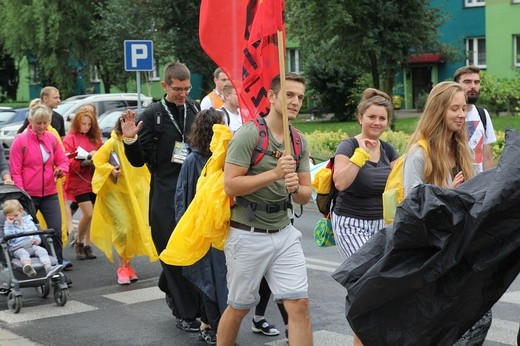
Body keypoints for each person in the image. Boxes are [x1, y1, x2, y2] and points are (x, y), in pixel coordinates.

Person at [218, 73, 313, 346]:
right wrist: (274, 174)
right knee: (238, 307)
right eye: (290, 95)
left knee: (299, 305)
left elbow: (305, 195)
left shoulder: (298, 141)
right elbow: (231, 185)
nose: (296, 102)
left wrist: (295, 188)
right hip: (247, 233)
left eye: (300, 97)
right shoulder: (249, 134)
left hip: (284, 232)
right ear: (271, 97)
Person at [402, 81, 491, 345]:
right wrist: (447, 194)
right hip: (431, 256)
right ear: (439, 110)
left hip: (459, 249)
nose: (462, 114)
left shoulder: (460, 150)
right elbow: (413, 210)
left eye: (463, 108)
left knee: (479, 318)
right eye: (454, 108)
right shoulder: (420, 153)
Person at [121, 62, 202, 332]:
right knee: (172, 252)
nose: (183, 93)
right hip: (165, 193)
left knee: (194, 253)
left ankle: (170, 284)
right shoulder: (153, 114)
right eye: (177, 89)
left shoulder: (195, 109)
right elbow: (138, 161)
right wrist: (130, 141)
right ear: (164, 85)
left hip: (192, 192)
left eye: (187, 88)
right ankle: (185, 313)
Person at [175, 108, 226, 344]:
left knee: (220, 282)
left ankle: (215, 326)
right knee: (209, 282)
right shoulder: (194, 161)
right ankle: (214, 327)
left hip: (220, 231)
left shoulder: (224, 158)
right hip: (203, 232)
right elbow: (183, 200)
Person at [90, 115, 158, 285]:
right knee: (123, 229)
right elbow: (98, 160)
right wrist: (110, 169)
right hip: (114, 194)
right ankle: (122, 267)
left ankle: (126, 266)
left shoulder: (136, 141)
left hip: (133, 193)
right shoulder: (112, 143)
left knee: (135, 228)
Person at [332, 88, 399, 259]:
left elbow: (400, 183)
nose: (377, 122)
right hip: (351, 222)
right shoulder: (348, 146)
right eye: (372, 117)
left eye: (382, 118)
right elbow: (340, 183)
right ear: (360, 118)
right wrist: (360, 155)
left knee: (379, 277)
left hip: (382, 224)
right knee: (366, 272)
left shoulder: (388, 150)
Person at [9, 103, 69, 268]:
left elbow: (62, 160)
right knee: (29, 233)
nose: (42, 127)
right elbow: (15, 171)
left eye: (45, 123)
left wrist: (61, 170)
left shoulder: (51, 139)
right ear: (30, 121)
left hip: (49, 193)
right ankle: (36, 265)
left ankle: (58, 267)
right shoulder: (20, 141)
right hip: (28, 196)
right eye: (38, 123)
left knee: (56, 230)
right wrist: (22, 195)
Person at [63, 107, 102, 260]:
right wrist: (85, 160)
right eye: (83, 124)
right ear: (77, 123)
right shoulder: (70, 138)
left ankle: (87, 244)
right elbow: (67, 160)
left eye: (88, 124)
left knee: (91, 216)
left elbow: (102, 152)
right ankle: (79, 242)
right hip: (78, 181)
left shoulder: (94, 138)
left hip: (93, 180)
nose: (86, 127)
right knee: (88, 213)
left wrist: (96, 157)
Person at [453, 65, 496, 173]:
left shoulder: (483, 114)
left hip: (479, 184)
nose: (473, 86)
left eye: (476, 82)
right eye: (467, 82)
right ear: (456, 85)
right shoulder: (447, 115)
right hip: (456, 183)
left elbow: (487, 157)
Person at [3, 199, 62, 277]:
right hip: (17, 248)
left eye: (16, 215)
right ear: (6, 216)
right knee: (23, 253)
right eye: (10, 217)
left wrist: (37, 240)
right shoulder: (8, 226)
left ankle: (48, 268)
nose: (14, 218)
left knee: (42, 250)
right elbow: (9, 237)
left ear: (21, 212)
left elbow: (35, 232)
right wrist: (10, 225)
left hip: (31, 245)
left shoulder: (28, 221)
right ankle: (27, 267)